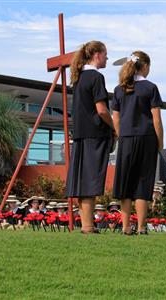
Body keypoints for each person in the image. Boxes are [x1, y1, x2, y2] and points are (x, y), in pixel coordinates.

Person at [112, 51, 164, 235]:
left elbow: (115, 119)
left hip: (126, 139)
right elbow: (156, 119)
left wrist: (122, 136)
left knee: (125, 183)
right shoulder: (151, 88)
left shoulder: (119, 89)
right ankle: (142, 227)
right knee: (143, 182)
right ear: (145, 66)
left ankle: (126, 227)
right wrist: (160, 142)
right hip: (146, 138)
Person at [66, 40, 112, 234]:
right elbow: (101, 110)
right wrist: (115, 126)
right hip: (95, 135)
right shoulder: (96, 77)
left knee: (82, 181)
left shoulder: (78, 78)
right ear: (97, 54)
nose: (107, 58)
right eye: (105, 54)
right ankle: (87, 226)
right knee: (92, 179)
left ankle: (87, 226)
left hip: (80, 135)